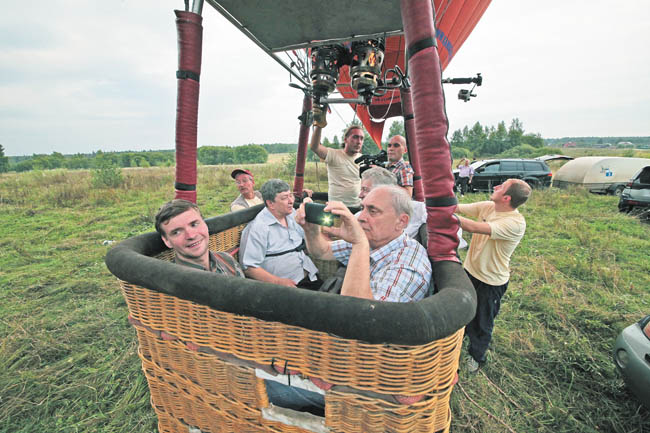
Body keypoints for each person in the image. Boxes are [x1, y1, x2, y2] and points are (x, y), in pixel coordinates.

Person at [297, 185, 431, 302]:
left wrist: (359, 243)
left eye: (373, 211)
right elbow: (322, 251)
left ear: (401, 221)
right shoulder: (377, 240)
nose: (360, 217)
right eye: (363, 208)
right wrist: (311, 230)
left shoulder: (407, 264)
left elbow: (360, 314)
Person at [455, 178, 531, 372]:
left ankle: (476, 357)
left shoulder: (514, 223)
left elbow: (472, 227)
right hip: (470, 271)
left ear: (506, 198)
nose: (495, 186)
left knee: (483, 321)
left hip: (491, 282)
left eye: (501, 187)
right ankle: (457, 344)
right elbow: (457, 208)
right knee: (463, 311)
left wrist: (439, 213)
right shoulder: (489, 207)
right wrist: (438, 204)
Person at [239, 179, 321, 289]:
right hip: (286, 288)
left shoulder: (292, 215)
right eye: (284, 198)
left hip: (311, 276)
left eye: (290, 195)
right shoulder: (258, 228)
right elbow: (249, 268)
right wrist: (278, 282)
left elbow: (310, 236)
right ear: (270, 203)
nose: (291, 201)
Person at [359, 167, 467, 248]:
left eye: (365, 189)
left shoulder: (416, 209)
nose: (360, 195)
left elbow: (449, 221)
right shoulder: (358, 217)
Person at [155, 199, 245, 276]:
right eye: (177, 232)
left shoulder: (227, 260)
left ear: (205, 224)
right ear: (167, 241)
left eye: (194, 224)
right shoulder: (169, 283)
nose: (191, 236)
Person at [310, 106, 363, 207]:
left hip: (357, 208)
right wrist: (319, 126)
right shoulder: (334, 154)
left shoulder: (362, 159)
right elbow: (315, 147)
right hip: (336, 209)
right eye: (355, 137)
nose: (359, 141)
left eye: (361, 138)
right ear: (345, 139)